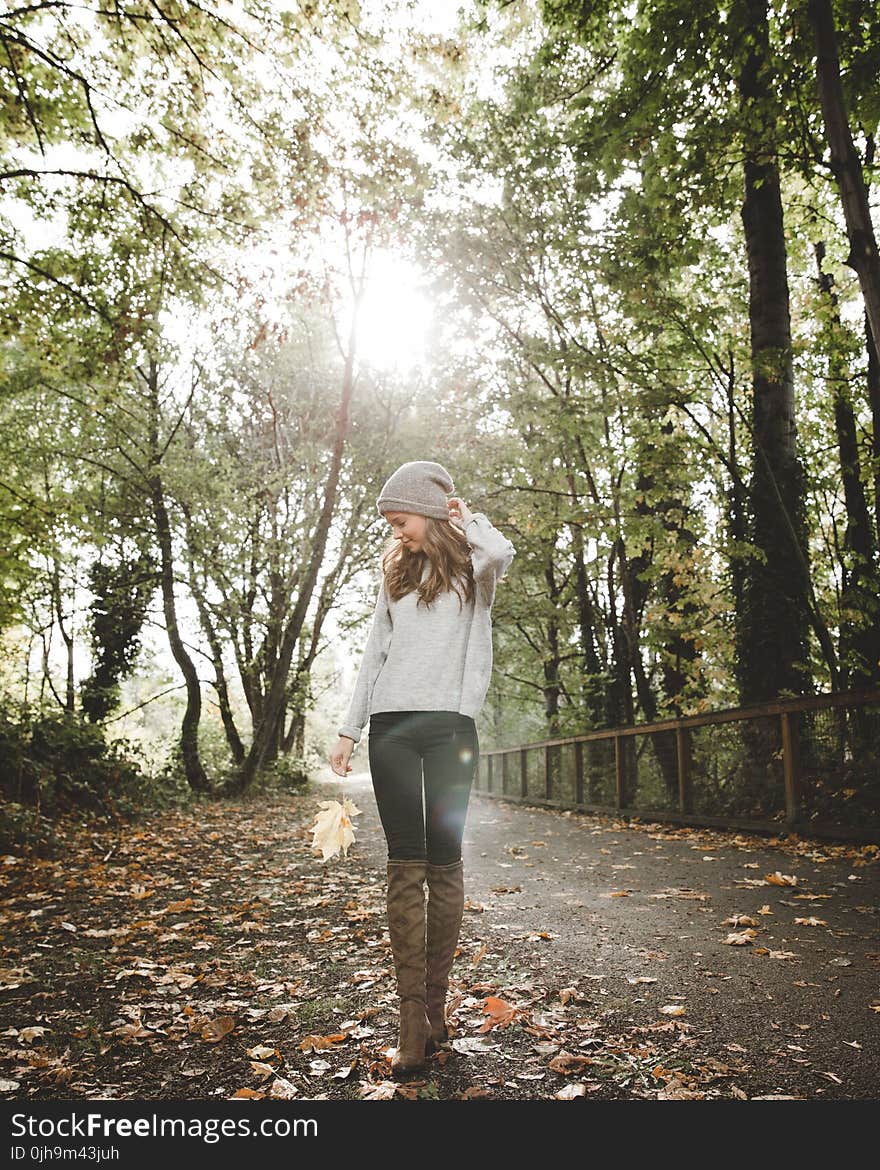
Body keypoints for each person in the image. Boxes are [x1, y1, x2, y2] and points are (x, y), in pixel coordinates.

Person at [329, 460, 516, 1077]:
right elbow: (373, 653)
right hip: (391, 729)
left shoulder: (471, 568)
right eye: (389, 521)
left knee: (445, 860)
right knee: (404, 865)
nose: (395, 531)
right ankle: (412, 1017)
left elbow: (501, 549)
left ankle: (435, 1007)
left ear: (431, 514)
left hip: (450, 730)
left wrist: (464, 517)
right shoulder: (394, 575)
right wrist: (349, 728)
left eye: (401, 519)